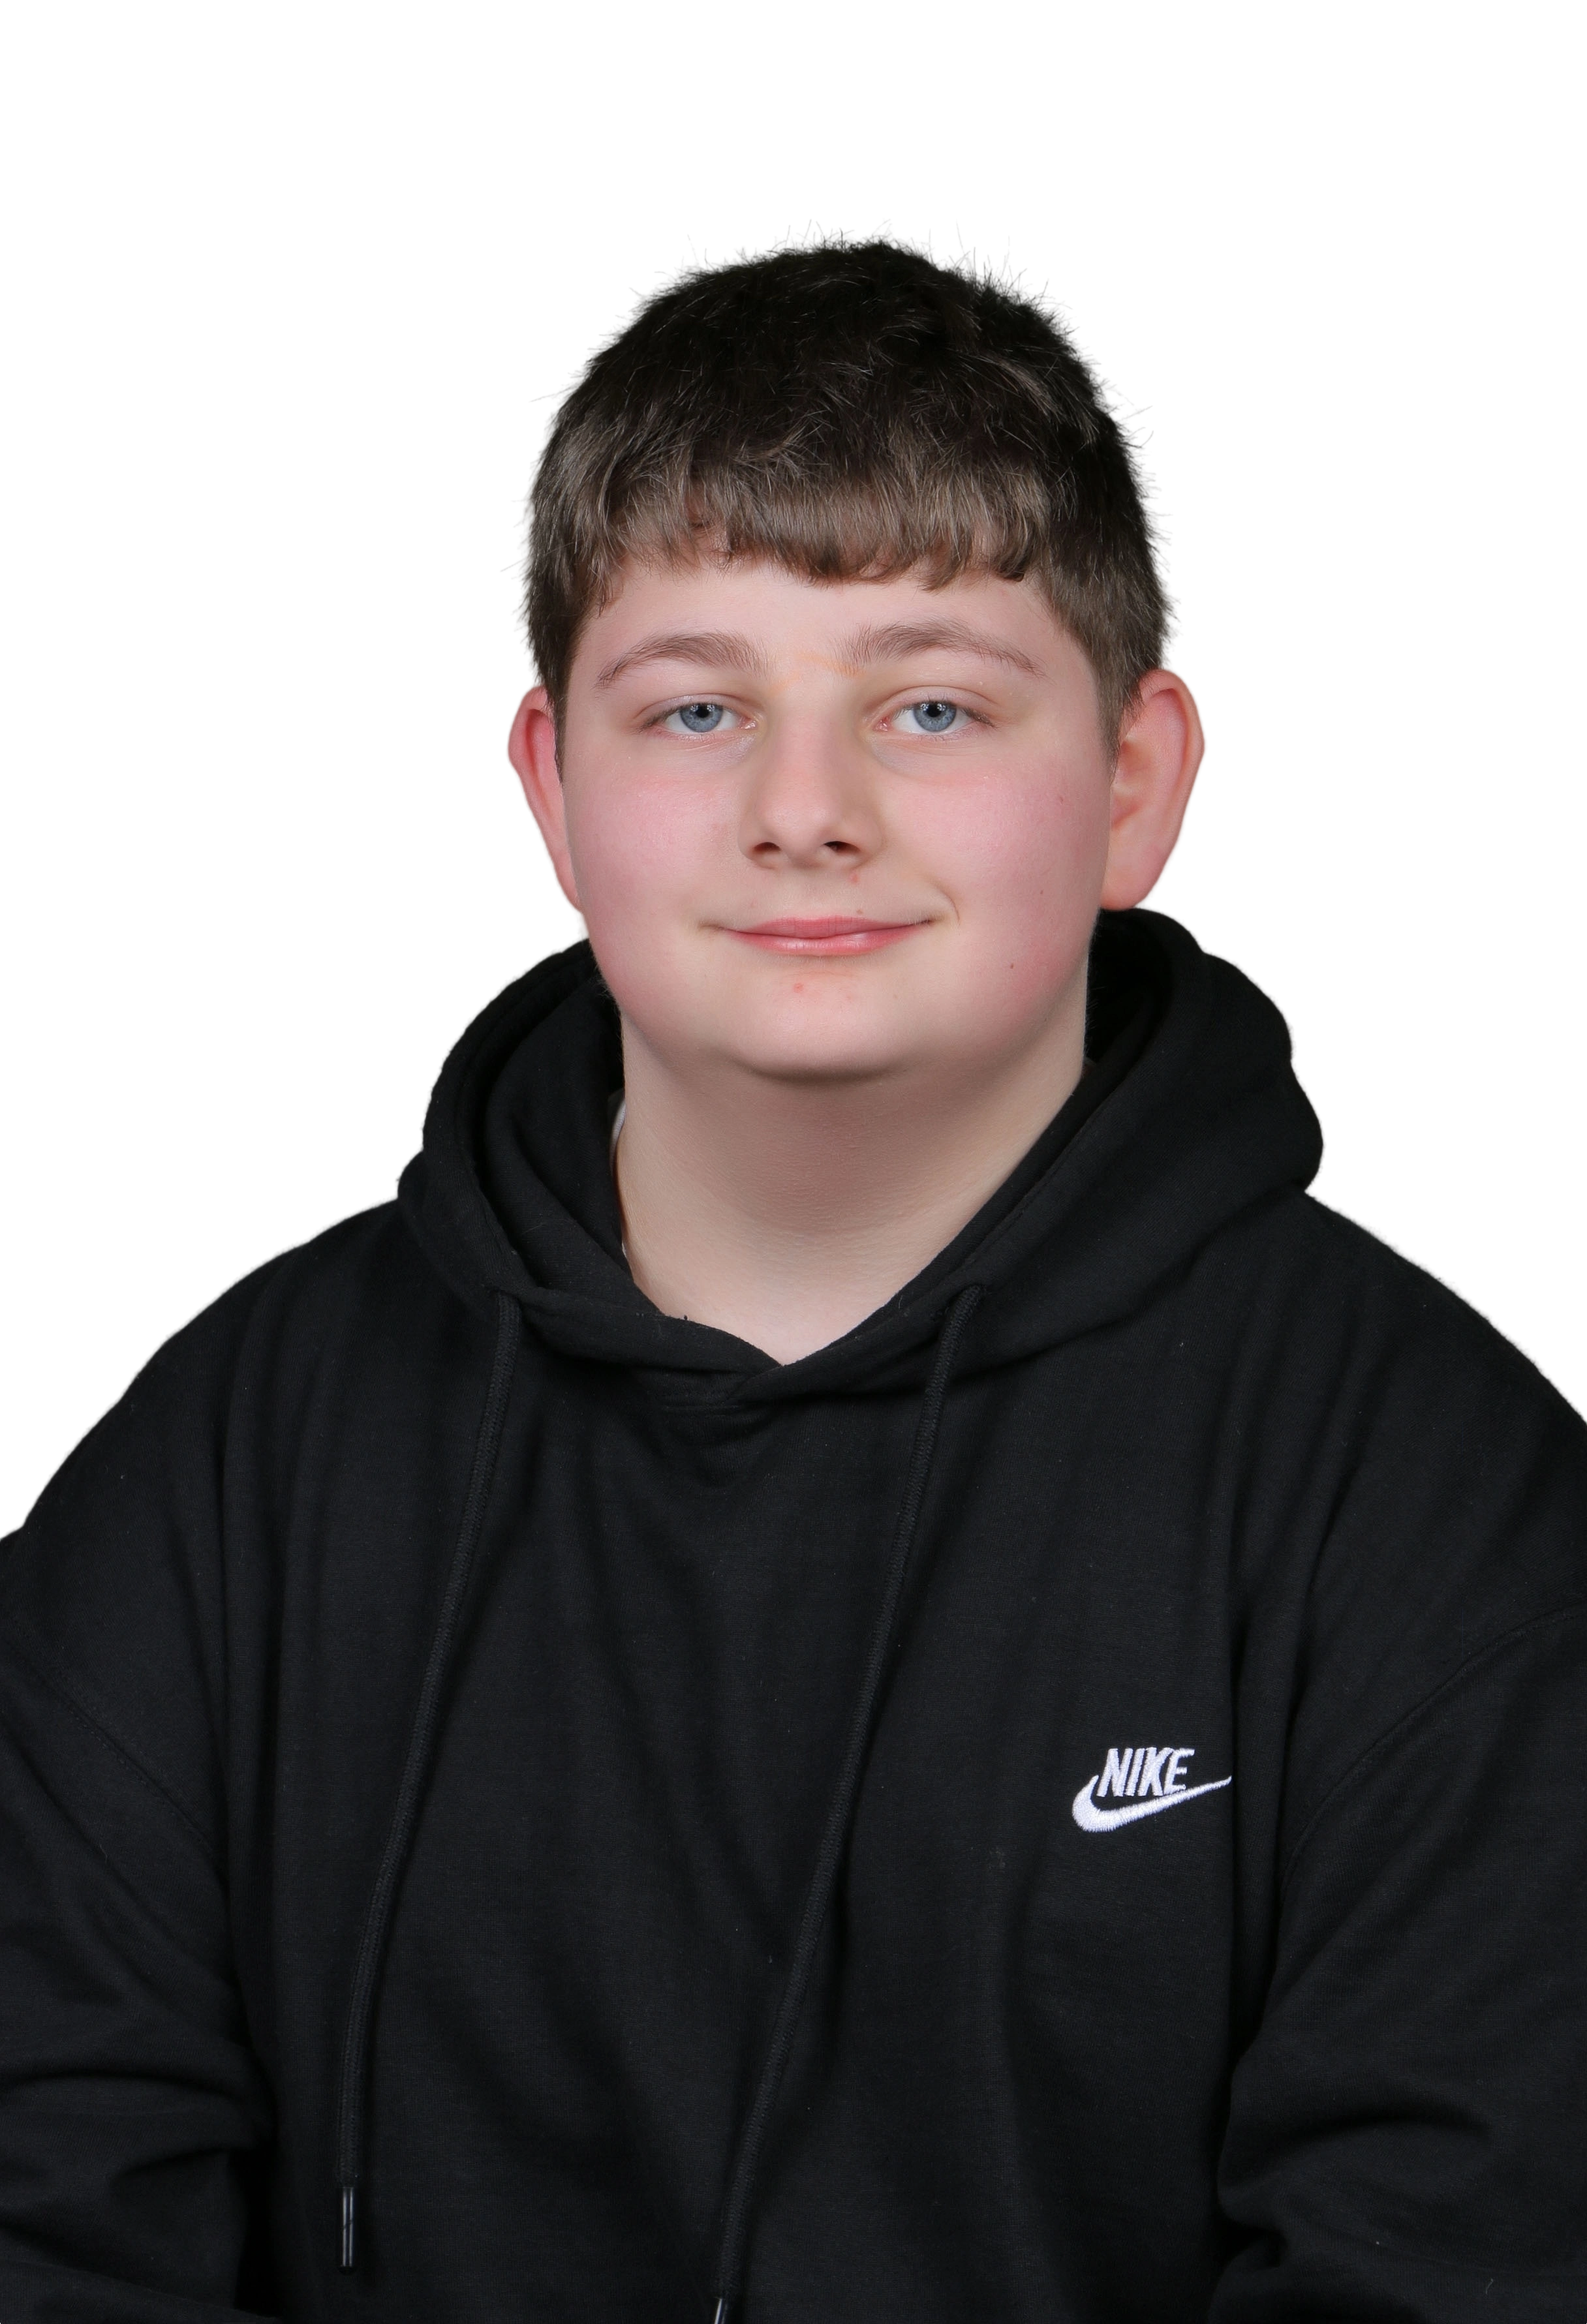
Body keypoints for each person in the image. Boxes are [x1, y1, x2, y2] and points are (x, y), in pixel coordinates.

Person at [1, 215, 1583, 2324]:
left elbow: (1464, 2261)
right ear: (553, 789)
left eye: (931, 704)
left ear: (1134, 784)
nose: (805, 810)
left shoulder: (1441, 1499)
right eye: (693, 710)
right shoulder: (226, 1467)